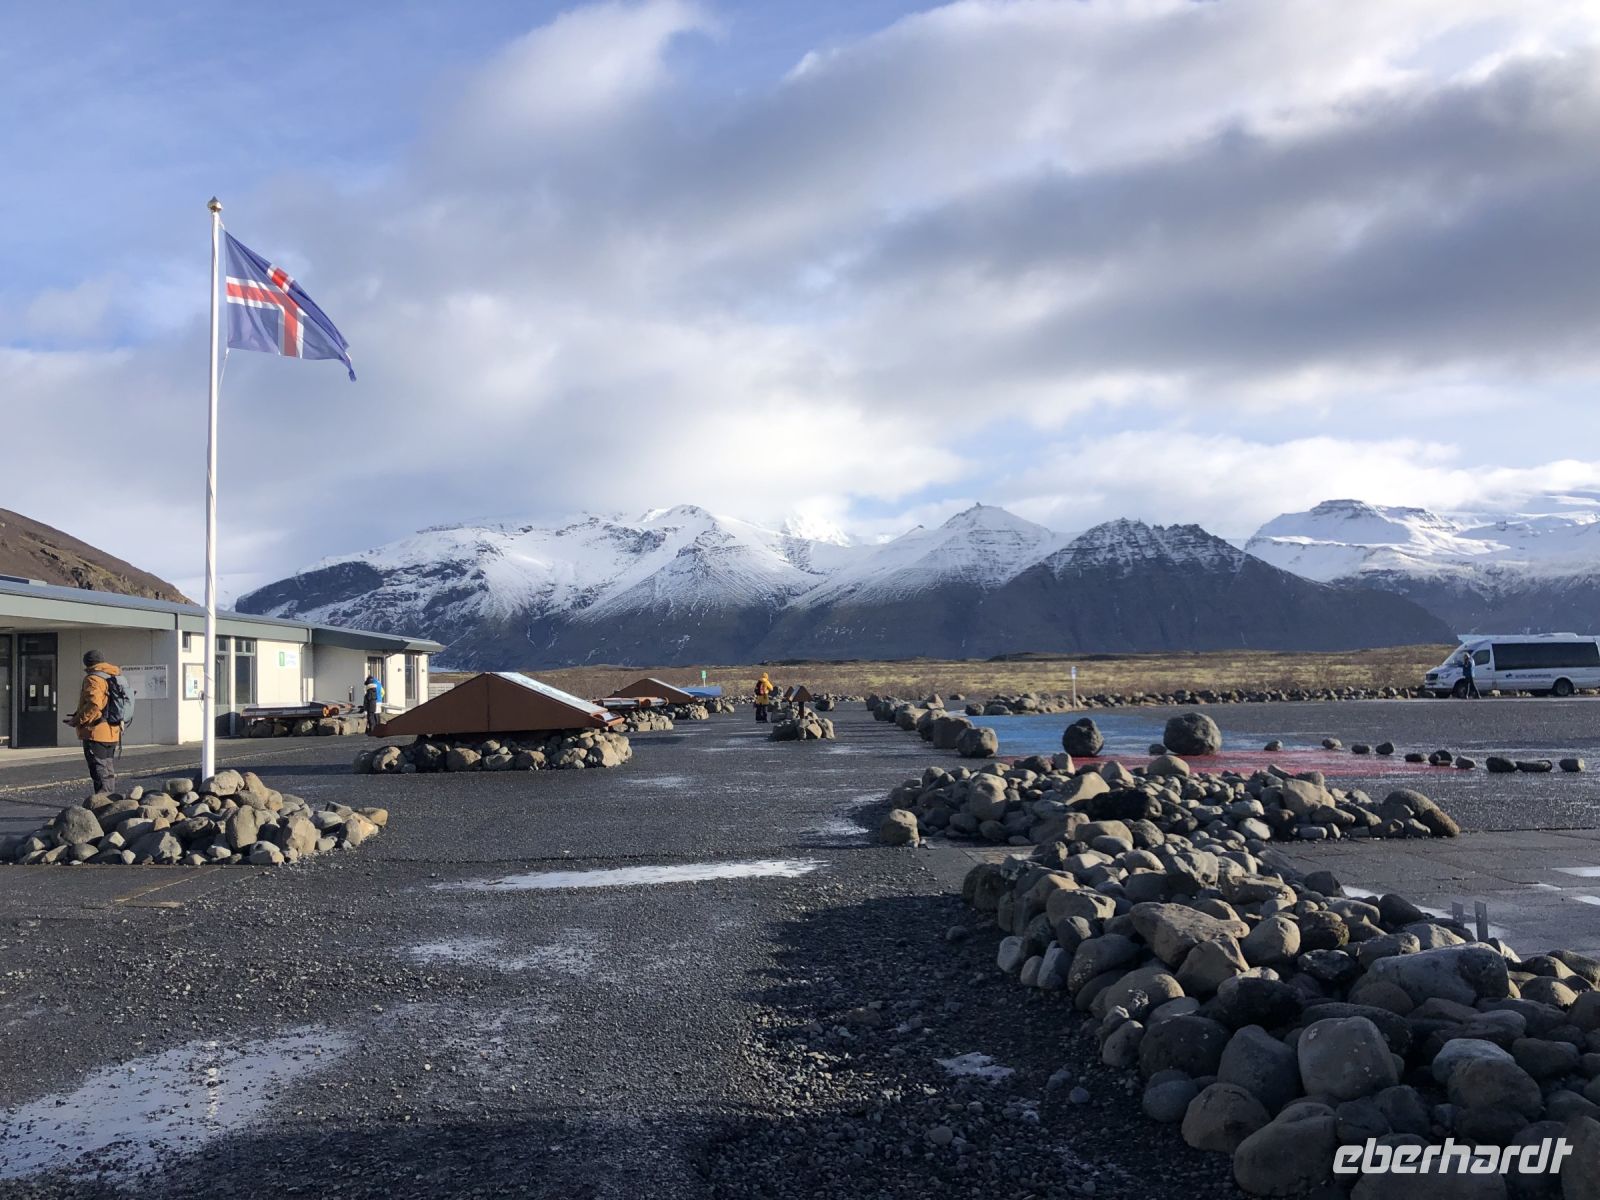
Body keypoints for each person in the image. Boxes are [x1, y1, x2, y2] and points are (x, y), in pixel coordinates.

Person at [65, 650, 122, 794]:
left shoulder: (93, 679)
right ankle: (111, 799)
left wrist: (77, 720)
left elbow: (94, 705)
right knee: (108, 769)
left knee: (99, 771)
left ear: (87, 663)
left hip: (96, 732)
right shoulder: (113, 675)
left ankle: (103, 802)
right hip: (113, 730)